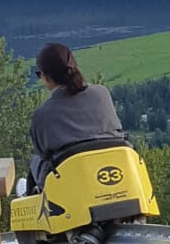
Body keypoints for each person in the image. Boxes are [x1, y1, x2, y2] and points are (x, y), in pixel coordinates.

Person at [27, 41, 123, 187]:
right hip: (115, 172)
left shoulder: (43, 115)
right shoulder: (102, 93)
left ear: (46, 77)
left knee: (36, 161)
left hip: (73, 186)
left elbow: (42, 154)